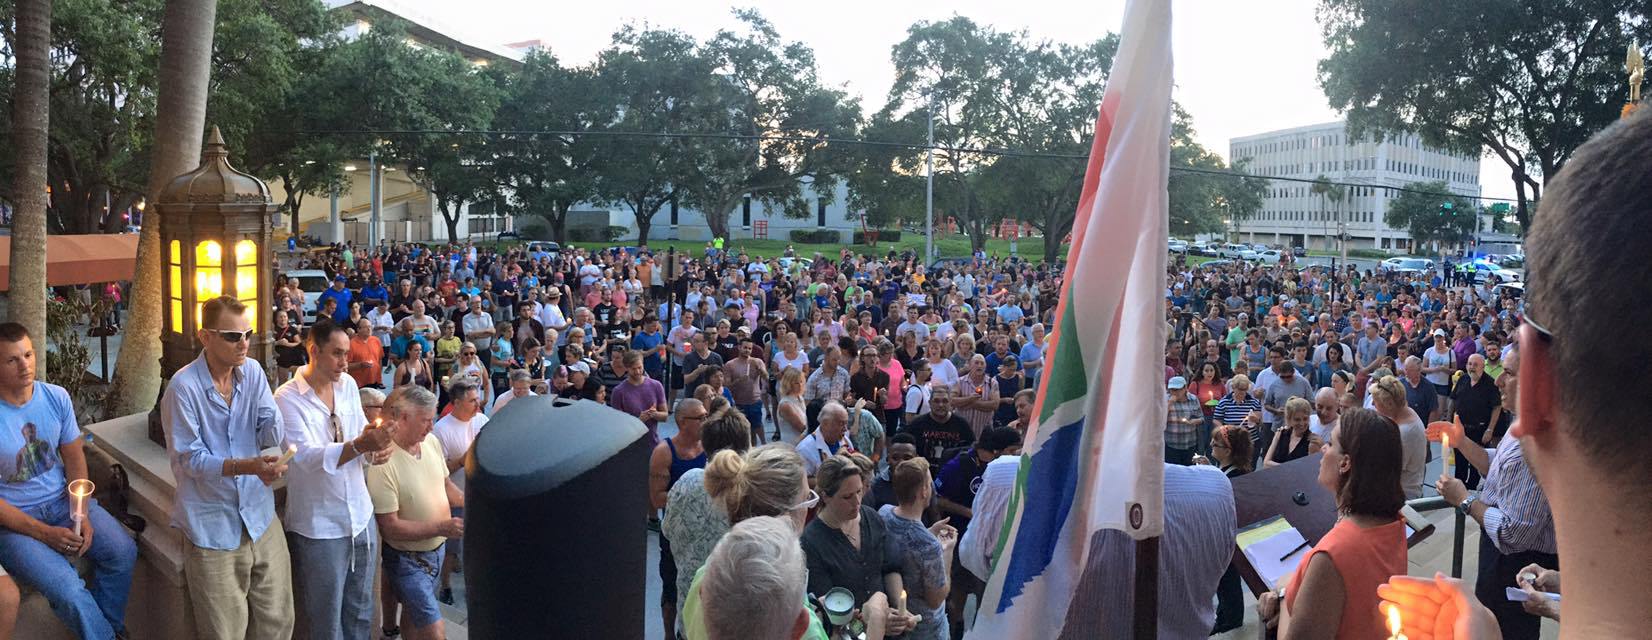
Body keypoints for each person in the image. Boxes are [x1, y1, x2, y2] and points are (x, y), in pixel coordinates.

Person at [160, 297, 293, 640]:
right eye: (233, 336)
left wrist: (274, 426)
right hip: (212, 527)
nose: (244, 343)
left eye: (247, 333)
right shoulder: (183, 388)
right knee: (223, 632)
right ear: (205, 337)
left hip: (261, 518)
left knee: (277, 623)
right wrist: (248, 466)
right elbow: (189, 459)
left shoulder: (253, 374)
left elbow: (269, 433)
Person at [0, 322, 138, 640]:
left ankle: (107, 630)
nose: (25, 365)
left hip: (62, 502)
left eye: (28, 354)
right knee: (67, 589)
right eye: (12, 360)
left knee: (122, 551)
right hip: (15, 524)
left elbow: (75, 459)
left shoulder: (55, 397)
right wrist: (45, 533)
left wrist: (82, 513)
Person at [274, 318, 397, 640]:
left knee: (361, 611)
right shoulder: (286, 398)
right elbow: (305, 457)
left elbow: (360, 438)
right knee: (325, 620)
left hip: (360, 516)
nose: (346, 362)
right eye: (338, 354)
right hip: (320, 526)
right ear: (314, 351)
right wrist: (360, 446)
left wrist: (375, 450)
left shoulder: (348, 387)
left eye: (347, 353)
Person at [1256, 408, 1408, 638]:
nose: (1323, 449)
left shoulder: (1333, 554)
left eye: (1330, 443)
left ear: (1345, 463)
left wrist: (1288, 599)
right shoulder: (1393, 522)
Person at [1428, 373, 1555, 640]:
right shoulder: (1519, 423)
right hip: (1499, 554)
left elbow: (1513, 533)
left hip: (1517, 563)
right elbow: (1498, 468)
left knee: (1505, 630)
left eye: (1508, 373)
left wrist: (1465, 500)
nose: (1497, 381)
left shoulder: (1536, 443)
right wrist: (1461, 442)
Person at [683, 445, 852, 640]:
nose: (809, 508)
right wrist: (876, 624)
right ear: (787, 514)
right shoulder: (805, 630)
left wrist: (808, 606)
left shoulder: (709, 574)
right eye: (807, 499)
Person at [366, 386, 463, 640]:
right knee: (434, 630)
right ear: (403, 418)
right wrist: (441, 527)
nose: (432, 426)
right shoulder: (383, 461)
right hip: (408, 560)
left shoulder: (429, 442)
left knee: (413, 617)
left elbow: (445, 484)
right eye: (426, 420)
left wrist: (474, 503)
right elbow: (390, 527)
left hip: (436, 553)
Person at [800, 453, 917, 635]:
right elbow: (830, 616)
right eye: (847, 497)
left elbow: (889, 566)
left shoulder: (871, 517)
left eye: (859, 491)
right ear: (825, 496)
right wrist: (875, 626)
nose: (857, 502)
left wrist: (900, 611)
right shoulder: (811, 543)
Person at [662, 401, 751, 626]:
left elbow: (668, 531)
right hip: (736, 622)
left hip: (691, 615)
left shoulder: (687, 482)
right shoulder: (754, 491)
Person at [935, 427, 1021, 639]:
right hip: (961, 539)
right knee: (958, 591)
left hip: (987, 544)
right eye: (1011, 451)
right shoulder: (959, 466)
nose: (1014, 456)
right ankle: (955, 628)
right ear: (996, 451)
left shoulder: (1010, 470)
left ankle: (977, 630)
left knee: (984, 597)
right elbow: (939, 500)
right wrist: (973, 513)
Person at [879, 457, 959, 640]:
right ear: (923, 491)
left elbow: (902, 544)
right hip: (925, 629)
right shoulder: (928, 545)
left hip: (894, 619)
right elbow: (936, 598)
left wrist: (929, 532)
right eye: (929, 484)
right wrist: (947, 551)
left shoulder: (883, 512)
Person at [649, 397, 709, 639]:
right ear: (683, 422)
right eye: (701, 417)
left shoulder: (709, 447)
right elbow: (657, 499)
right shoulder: (664, 453)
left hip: (706, 531)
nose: (706, 421)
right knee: (672, 589)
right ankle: (668, 634)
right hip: (675, 534)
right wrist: (692, 495)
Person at [430, 378, 487, 605]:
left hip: (480, 495)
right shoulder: (441, 430)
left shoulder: (482, 420)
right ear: (455, 402)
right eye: (472, 400)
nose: (478, 404)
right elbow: (439, 470)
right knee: (451, 546)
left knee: (478, 544)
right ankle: (445, 586)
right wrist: (463, 460)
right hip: (454, 497)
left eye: (477, 398)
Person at [1204, 425, 1255, 634]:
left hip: (1228, 538)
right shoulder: (1227, 471)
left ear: (1228, 451)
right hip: (1226, 537)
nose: (1210, 446)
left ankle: (1230, 619)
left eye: (1215, 444)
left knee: (1228, 581)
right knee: (1224, 581)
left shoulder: (1233, 477)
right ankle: (1226, 615)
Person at [1367, 375, 1428, 499]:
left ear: (1389, 404)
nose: (1372, 403)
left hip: (1401, 497)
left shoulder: (1404, 433)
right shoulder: (1406, 413)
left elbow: (1387, 470)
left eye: (1376, 401)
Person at [1450, 353, 1502, 490]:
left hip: (1479, 430)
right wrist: (1450, 421)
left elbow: (1497, 407)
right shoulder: (1463, 379)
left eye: (1475, 365)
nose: (1471, 367)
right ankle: (1459, 489)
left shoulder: (1490, 384)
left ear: (1482, 366)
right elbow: (1453, 399)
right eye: (1469, 364)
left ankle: (1472, 490)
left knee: (1475, 464)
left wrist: (1490, 429)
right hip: (1461, 429)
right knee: (1460, 461)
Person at [900, 386, 976, 469]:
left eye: (945, 401)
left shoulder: (962, 425)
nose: (940, 405)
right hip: (923, 472)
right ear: (929, 403)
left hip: (951, 474)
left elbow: (971, 449)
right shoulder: (917, 424)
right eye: (936, 401)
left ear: (950, 403)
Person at [611, 351, 669, 447]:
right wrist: (639, 421)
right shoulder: (618, 392)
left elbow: (665, 416)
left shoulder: (656, 385)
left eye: (640, 367)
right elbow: (617, 426)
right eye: (633, 369)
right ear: (626, 368)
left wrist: (654, 414)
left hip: (652, 443)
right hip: (629, 446)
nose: (637, 372)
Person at [726, 338, 769, 446]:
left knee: (757, 425)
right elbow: (726, 385)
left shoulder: (757, 361)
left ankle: (764, 445)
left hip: (755, 400)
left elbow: (767, 378)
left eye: (750, 348)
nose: (747, 350)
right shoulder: (730, 364)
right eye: (745, 348)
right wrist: (738, 381)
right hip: (738, 402)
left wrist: (761, 370)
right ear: (739, 347)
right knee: (743, 431)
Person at [796, 401, 855, 480]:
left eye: (846, 423)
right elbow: (802, 481)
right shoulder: (805, 449)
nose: (845, 429)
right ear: (825, 424)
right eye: (841, 424)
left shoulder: (845, 440)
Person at [1264, 397, 1323, 468]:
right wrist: (1292, 468)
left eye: (1305, 418)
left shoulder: (1313, 441)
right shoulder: (1280, 434)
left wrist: (1276, 466)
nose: (1302, 423)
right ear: (1289, 420)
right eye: (1297, 419)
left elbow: (1309, 470)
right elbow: (1266, 464)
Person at [1165, 376, 1202, 465]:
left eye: (1177, 389)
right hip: (1172, 445)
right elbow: (1159, 420)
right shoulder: (1165, 400)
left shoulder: (1193, 399)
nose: (1174, 392)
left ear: (1185, 388)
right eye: (1171, 389)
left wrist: (1194, 421)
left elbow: (1201, 418)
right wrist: (1170, 403)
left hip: (1190, 444)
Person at [348, 318, 384, 390]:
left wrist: (379, 377)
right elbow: (346, 365)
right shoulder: (351, 344)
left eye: (370, 326)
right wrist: (360, 365)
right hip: (358, 383)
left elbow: (379, 360)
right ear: (358, 329)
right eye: (366, 327)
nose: (369, 329)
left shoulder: (376, 340)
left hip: (374, 381)